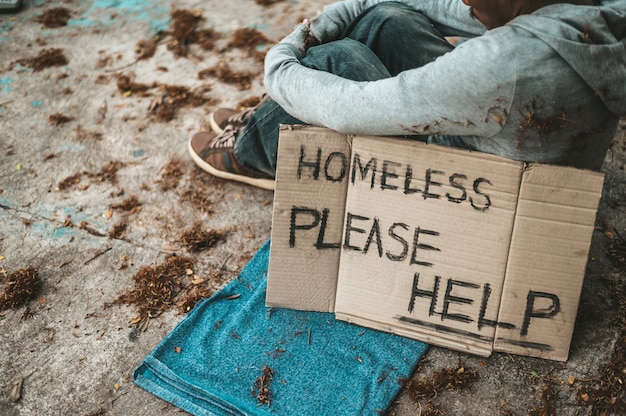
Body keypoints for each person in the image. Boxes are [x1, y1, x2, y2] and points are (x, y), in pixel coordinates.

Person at [189, 0, 626, 191]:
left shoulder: (506, 62)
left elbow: (353, 108)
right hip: (523, 140)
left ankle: (251, 149)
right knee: (388, 20)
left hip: (476, 182)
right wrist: (330, 18)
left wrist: (281, 62)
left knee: (339, 61)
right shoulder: (597, 10)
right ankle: (271, 117)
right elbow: (442, 9)